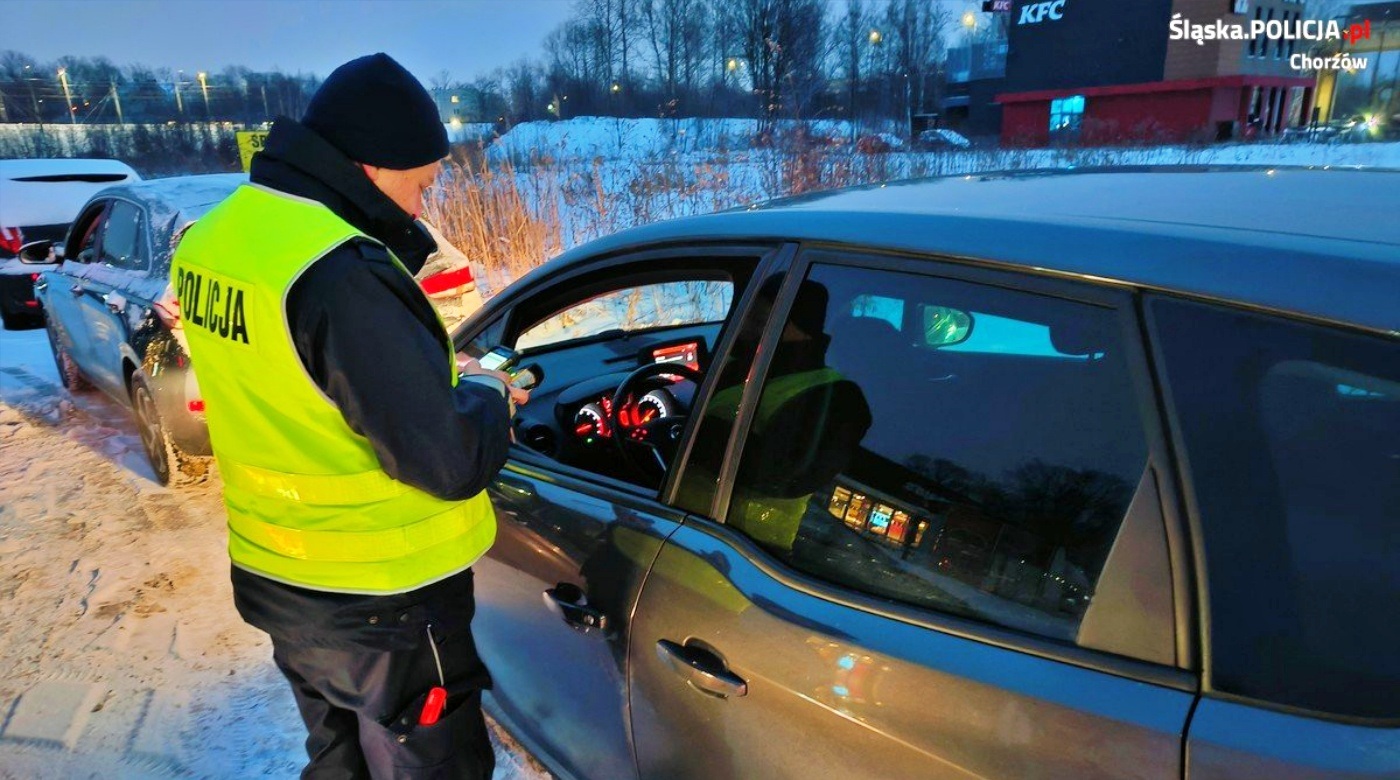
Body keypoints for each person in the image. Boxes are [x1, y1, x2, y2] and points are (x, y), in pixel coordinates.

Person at [171, 53, 524, 779]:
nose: (424, 207)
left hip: (278, 579)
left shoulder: (216, 239)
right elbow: (449, 459)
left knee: (340, 757)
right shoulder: (339, 272)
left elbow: (295, 381)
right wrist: (487, 393)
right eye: (421, 185)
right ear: (372, 165)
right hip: (382, 600)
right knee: (433, 765)